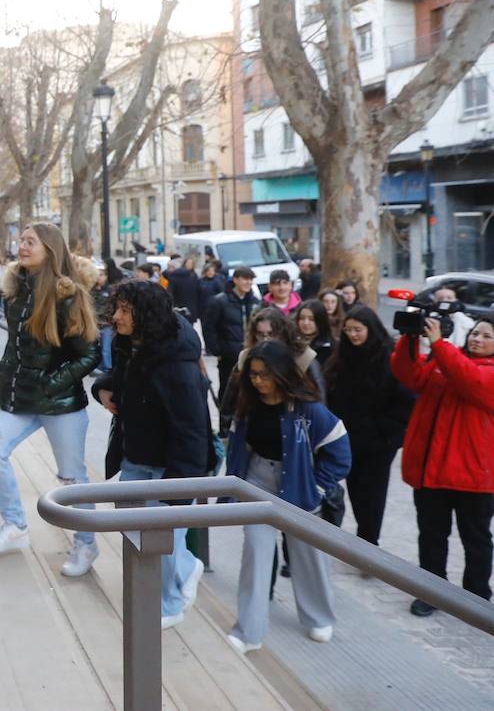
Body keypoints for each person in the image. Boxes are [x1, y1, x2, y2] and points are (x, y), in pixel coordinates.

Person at [0, 224, 102, 577]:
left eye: (31, 241)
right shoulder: (16, 290)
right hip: (21, 398)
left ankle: (87, 544)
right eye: (22, 240)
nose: (22, 246)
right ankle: (14, 525)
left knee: (72, 478)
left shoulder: (68, 295)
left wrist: (51, 384)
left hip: (60, 403)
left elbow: (89, 355)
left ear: (50, 249)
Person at [93, 279, 213, 629]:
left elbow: (192, 429)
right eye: (116, 308)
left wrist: (178, 490)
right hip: (135, 456)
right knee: (134, 529)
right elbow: (119, 377)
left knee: (160, 538)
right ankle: (185, 568)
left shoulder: (177, 363)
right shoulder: (128, 344)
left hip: (169, 468)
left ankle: (171, 603)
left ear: (145, 315)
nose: (116, 317)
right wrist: (103, 389)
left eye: (125, 311)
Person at [224, 340, 351, 653]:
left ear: (282, 373)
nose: (258, 380)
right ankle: (248, 631)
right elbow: (238, 445)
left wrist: (316, 488)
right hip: (257, 482)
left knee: (309, 555)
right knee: (256, 553)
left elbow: (339, 453)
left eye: (265, 374)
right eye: (253, 374)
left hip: (298, 485)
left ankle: (318, 617)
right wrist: (235, 484)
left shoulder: (310, 409)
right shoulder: (248, 405)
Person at [392, 316, 494, 617]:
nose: (477, 339)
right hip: (432, 472)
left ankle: (475, 598)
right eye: (475, 333)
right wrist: (410, 339)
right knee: (431, 534)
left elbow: (470, 380)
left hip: (474, 477)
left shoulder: (469, 368)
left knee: (475, 540)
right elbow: (410, 375)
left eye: (486, 336)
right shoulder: (447, 361)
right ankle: (431, 591)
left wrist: (439, 344)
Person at [324, 305, 413, 547]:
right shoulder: (341, 356)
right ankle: (365, 538)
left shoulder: (389, 357)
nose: (353, 335)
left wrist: (382, 432)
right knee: (356, 489)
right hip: (349, 439)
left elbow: (405, 401)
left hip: (379, 442)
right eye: (349, 330)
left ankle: (368, 541)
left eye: (358, 330)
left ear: (370, 329)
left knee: (373, 492)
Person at [202, 266, 261, 403]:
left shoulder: (254, 302)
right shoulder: (220, 301)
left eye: (251, 279)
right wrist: (217, 350)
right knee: (228, 390)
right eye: (245, 279)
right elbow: (209, 327)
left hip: (250, 354)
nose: (248, 282)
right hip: (229, 355)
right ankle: (225, 420)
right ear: (235, 280)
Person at [293, 299, 334, 365]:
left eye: (311, 319)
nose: (306, 323)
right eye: (302, 318)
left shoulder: (328, 348)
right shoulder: (292, 342)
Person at [165, 257, 201, 322]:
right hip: (189, 307)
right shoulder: (194, 277)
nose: (189, 265)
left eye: (191, 263)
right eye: (188, 263)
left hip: (178, 307)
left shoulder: (174, 275)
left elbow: (169, 292)